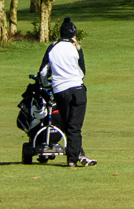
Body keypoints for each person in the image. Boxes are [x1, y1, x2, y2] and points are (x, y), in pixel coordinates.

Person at [39, 16, 96, 167]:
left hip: (60, 91)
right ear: (73, 35)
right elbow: (82, 72)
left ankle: (76, 156)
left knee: (67, 124)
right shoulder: (76, 47)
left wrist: (47, 85)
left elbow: (43, 73)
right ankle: (74, 158)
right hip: (78, 89)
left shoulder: (52, 48)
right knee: (75, 126)